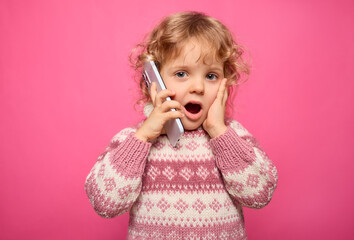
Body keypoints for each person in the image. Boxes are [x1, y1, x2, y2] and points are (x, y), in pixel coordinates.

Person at [85, 11, 278, 240]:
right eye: (181, 73)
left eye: (211, 76)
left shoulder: (232, 136)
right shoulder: (135, 140)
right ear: (153, 82)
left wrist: (218, 131)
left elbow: (260, 194)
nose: (198, 87)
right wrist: (144, 136)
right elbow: (105, 203)